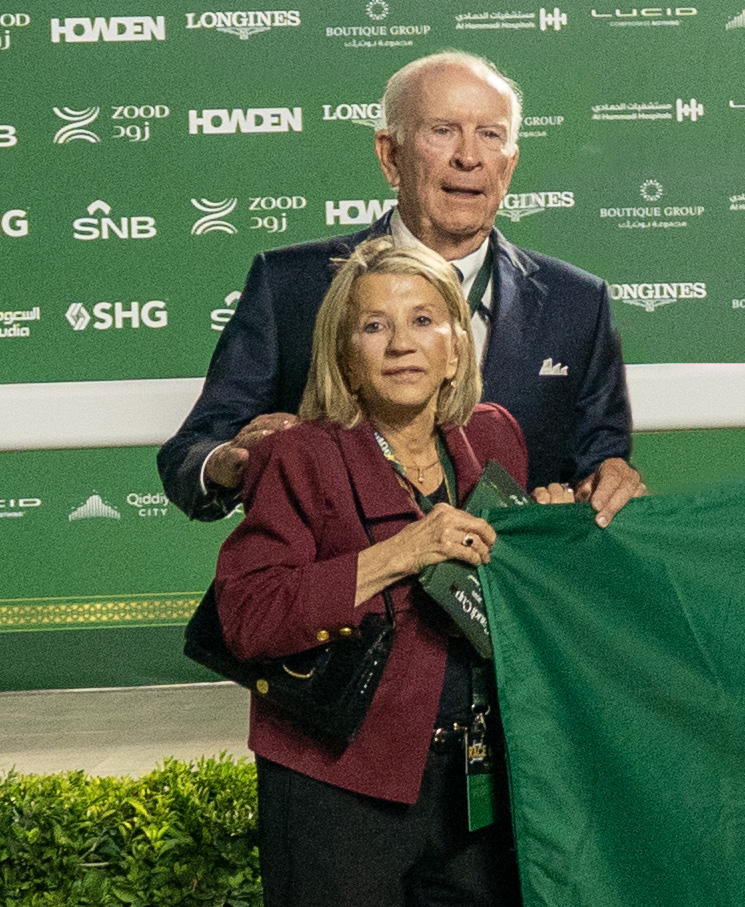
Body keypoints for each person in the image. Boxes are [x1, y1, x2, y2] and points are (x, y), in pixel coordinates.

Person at [215, 237, 571, 906]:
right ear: (346, 358)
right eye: (374, 325)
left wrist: (552, 535)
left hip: (475, 784)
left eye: (424, 320)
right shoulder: (299, 456)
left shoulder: (496, 435)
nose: (402, 343)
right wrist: (398, 554)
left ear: (456, 349)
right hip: (336, 786)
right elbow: (247, 617)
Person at [158, 50, 644, 527]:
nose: (469, 157)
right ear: (390, 155)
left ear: (510, 165)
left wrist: (607, 483)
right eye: (443, 131)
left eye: (490, 135)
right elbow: (190, 455)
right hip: (350, 576)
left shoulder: (577, 303)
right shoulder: (291, 286)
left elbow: (598, 465)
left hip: (503, 578)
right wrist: (233, 462)